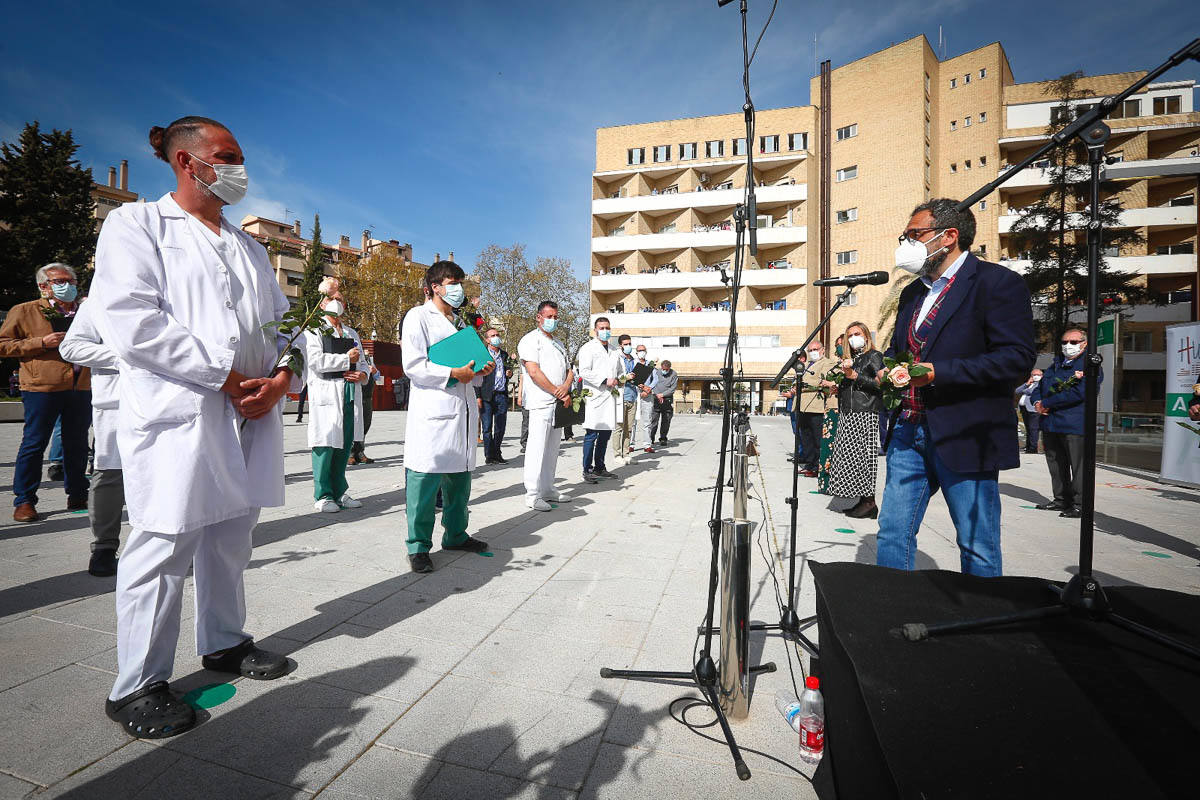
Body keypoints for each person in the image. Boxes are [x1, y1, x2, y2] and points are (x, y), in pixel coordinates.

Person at [90, 116, 298, 738]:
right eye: (228, 157)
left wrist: (283, 378)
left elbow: (285, 327)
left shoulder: (251, 247)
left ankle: (226, 642)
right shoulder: (135, 226)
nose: (240, 170)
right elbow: (132, 321)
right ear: (188, 162)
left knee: (232, 539)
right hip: (181, 416)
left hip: (249, 415)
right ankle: (137, 684)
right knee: (164, 544)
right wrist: (227, 377)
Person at [876, 199, 1036, 577]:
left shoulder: (997, 284)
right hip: (908, 431)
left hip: (966, 432)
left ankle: (980, 621)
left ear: (949, 237)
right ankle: (886, 613)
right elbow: (900, 352)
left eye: (915, 235)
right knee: (892, 534)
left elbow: (1015, 359)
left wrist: (938, 373)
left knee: (976, 543)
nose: (907, 244)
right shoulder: (912, 294)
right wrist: (889, 370)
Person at [401, 260, 495, 574]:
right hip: (433, 410)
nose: (458, 289)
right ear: (435, 287)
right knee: (425, 480)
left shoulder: (460, 322)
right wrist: (453, 372)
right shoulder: (418, 317)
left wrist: (481, 369)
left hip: (463, 410)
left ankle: (455, 534)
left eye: (460, 282)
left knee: (460, 480)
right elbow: (412, 366)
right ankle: (418, 546)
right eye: (452, 282)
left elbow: (471, 369)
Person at [0, 263, 92, 522]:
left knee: (77, 444)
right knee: (34, 443)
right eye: (60, 281)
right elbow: (3, 345)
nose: (68, 285)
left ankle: (77, 493)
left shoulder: (85, 311)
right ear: (43, 286)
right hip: (42, 387)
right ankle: (25, 500)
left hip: (80, 385)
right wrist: (41, 342)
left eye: (71, 281)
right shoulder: (25, 310)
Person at [59, 299, 124, 577]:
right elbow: (71, 346)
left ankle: (172, 542)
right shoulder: (100, 298)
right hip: (118, 401)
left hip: (173, 401)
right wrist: (125, 355)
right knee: (110, 474)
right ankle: (104, 548)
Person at [302, 278, 369, 513]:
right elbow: (315, 361)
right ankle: (323, 495)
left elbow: (363, 363)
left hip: (349, 393)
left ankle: (340, 491)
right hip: (327, 393)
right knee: (325, 443)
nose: (337, 303)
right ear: (322, 304)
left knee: (344, 443)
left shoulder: (351, 332)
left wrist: (362, 375)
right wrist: (344, 360)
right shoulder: (313, 330)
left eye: (341, 300)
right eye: (332, 299)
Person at [1032, 325, 1102, 519]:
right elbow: (1040, 386)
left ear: (1084, 344)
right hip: (1050, 423)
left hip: (1074, 423)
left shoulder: (1089, 365)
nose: (1068, 345)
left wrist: (1047, 402)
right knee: (1056, 464)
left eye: (1073, 342)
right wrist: (1037, 401)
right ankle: (1061, 499)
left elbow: (1081, 392)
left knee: (1078, 466)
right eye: (1064, 342)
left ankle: (1080, 504)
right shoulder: (1056, 363)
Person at [826, 322, 884, 518]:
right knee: (853, 460)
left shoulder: (873, 356)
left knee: (864, 459)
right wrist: (839, 387)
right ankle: (862, 499)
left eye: (857, 334)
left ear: (866, 336)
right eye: (849, 335)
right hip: (849, 413)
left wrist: (855, 376)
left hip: (865, 413)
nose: (853, 339)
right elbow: (853, 385)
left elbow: (882, 384)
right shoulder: (854, 359)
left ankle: (869, 502)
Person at [518, 302, 573, 511]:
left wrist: (565, 388)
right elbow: (534, 371)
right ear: (539, 317)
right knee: (536, 448)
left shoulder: (559, 343)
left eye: (555, 317)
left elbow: (569, 369)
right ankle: (532, 494)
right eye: (549, 316)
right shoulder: (529, 341)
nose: (553, 320)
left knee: (552, 449)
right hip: (540, 402)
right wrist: (554, 390)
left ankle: (548, 488)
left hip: (558, 403)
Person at [578, 318, 619, 483]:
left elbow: (619, 372)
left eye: (607, 328)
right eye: (602, 328)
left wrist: (624, 378)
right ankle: (587, 469)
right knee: (591, 434)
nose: (605, 330)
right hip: (595, 396)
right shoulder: (588, 348)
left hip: (609, 397)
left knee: (605, 434)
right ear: (595, 330)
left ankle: (600, 467)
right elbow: (584, 371)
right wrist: (604, 380)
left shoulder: (615, 350)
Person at [796, 341, 838, 477]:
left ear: (823, 350)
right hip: (803, 405)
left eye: (815, 349)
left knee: (817, 438)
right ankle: (809, 464)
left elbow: (824, 379)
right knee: (806, 437)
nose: (813, 352)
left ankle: (818, 467)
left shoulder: (828, 363)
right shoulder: (807, 364)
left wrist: (807, 383)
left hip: (816, 405)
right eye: (810, 350)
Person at [477, 327, 511, 465]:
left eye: (497, 335)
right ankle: (489, 455)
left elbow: (507, 370)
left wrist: (509, 373)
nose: (496, 337)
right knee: (487, 427)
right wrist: (478, 396)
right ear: (487, 339)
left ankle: (497, 453)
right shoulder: (482, 354)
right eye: (492, 335)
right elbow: (477, 377)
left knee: (500, 427)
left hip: (501, 394)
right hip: (486, 395)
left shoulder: (504, 355)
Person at [350, 352, 378, 465]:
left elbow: (377, 376)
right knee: (354, 425)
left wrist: (375, 371)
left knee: (365, 425)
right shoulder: (351, 356)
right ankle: (350, 453)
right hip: (357, 394)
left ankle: (360, 452)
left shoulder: (369, 358)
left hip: (367, 396)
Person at [613, 334, 639, 459]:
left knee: (629, 428)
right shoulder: (617, 359)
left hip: (633, 397)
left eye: (630, 343)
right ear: (620, 346)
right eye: (625, 344)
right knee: (619, 427)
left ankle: (626, 453)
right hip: (621, 396)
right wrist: (626, 377)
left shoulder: (634, 360)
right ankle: (617, 454)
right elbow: (614, 378)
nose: (628, 346)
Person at [631, 344, 655, 452]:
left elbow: (656, 379)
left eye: (643, 350)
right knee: (632, 421)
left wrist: (648, 389)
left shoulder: (650, 365)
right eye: (639, 350)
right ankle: (631, 444)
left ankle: (647, 445)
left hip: (647, 395)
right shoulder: (632, 363)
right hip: (635, 394)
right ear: (636, 352)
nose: (642, 352)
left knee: (647, 420)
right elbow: (630, 378)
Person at [650, 359, 678, 444]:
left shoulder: (674, 374)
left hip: (667, 399)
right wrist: (657, 394)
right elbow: (652, 383)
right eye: (663, 369)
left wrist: (663, 395)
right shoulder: (656, 372)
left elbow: (672, 388)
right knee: (654, 420)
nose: (664, 371)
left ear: (670, 368)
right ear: (661, 367)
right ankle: (651, 438)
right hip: (656, 398)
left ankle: (663, 438)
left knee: (666, 420)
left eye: (666, 369)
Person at [1015, 369, 1044, 455]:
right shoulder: (1028, 384)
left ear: (1041, 375)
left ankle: (1033, 447)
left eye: (1038, 375)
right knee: (1028, 428)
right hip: (1024, 409)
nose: (1035, 376)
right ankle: (1028, 446)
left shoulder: (1041, 384)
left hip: (1034, 409)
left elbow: (1031, 392)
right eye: (1034, 374)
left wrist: (1026, 388)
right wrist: (1026, 384)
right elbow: (1017, 391)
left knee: (1033, 428)